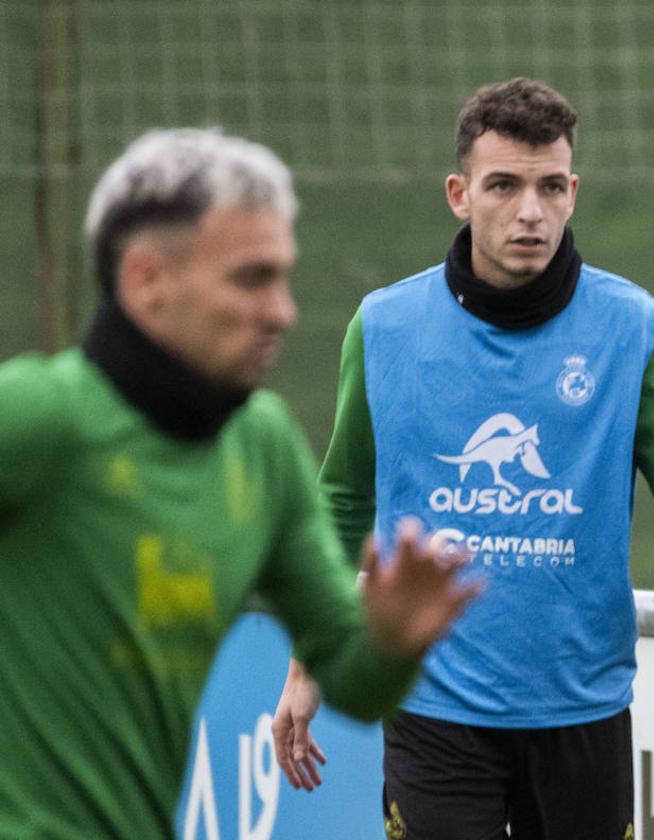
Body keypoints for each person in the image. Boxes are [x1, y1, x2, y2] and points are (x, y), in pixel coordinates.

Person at [272, 77, 654, 838]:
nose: (529, 211)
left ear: (573, 191)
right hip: (432, 707)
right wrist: (307, 662)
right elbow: (340, 503)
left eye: (549, 186)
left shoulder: (632, 329)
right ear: (459, 194)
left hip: (582, 710)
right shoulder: (385, 327)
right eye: (504, 186)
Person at [0, 128, 477, 839]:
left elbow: (348, 675)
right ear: (146, 280)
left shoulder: (262, 446)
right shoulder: (41, 419)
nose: (283, 310)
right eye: (251, 278)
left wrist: (392, 644)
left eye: (283, 277)